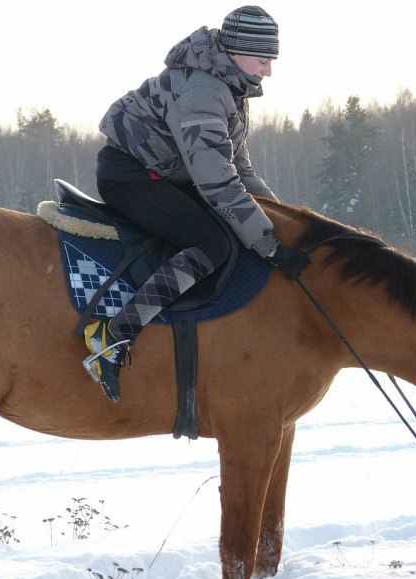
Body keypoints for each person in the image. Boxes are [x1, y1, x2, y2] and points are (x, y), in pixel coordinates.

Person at [83, 5, 309, 403]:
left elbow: (240, 170)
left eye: (271, 60)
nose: (268, 70)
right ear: (237, 52)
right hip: (130, 175)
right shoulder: (204, 91)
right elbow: (216, 181)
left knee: (234, 229)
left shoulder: (229, 89)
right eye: (262, 60)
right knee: (211, 244)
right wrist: (269, 244)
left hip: (166, 173)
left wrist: (284, 226)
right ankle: (112, 335)